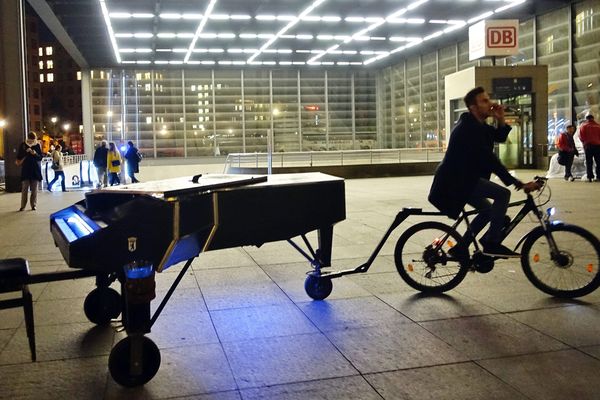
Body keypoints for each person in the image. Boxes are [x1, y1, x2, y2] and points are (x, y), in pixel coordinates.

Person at [428, 87, 539, 259]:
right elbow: (490, 160)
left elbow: (499, 137)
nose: (490, 104)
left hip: (465, 180)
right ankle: (491, 242)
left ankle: (460, 248)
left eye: (489, 99)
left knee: (487, 210)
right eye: (484, 101)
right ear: (473, 107)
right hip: (456, 182)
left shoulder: (478, 125)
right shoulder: (468, 128)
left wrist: (500, 119)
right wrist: (519, 184)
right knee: (503, 195)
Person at [16, 131, 43, 211]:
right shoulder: (23, 145)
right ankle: (22, 206)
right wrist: (25, 152)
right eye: (30, 140)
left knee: (34, 190)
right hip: (26, 169)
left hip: (35, 169)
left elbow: (40, 157)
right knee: (24, 189)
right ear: (28, 138)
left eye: (33, 140)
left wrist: (35, 153)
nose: (31, 141)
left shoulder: (37, 145)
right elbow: (19, 156)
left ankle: (33, 205)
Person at [579, 114, 600, 182]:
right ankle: (599, 177)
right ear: (593, 118)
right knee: (598, 162)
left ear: (587, 119)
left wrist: (584, 143)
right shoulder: (598, 126)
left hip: (588, 146)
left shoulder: (583, 126)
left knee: (589, 162)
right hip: (598, 146)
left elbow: (581, 136)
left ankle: (590, 177)